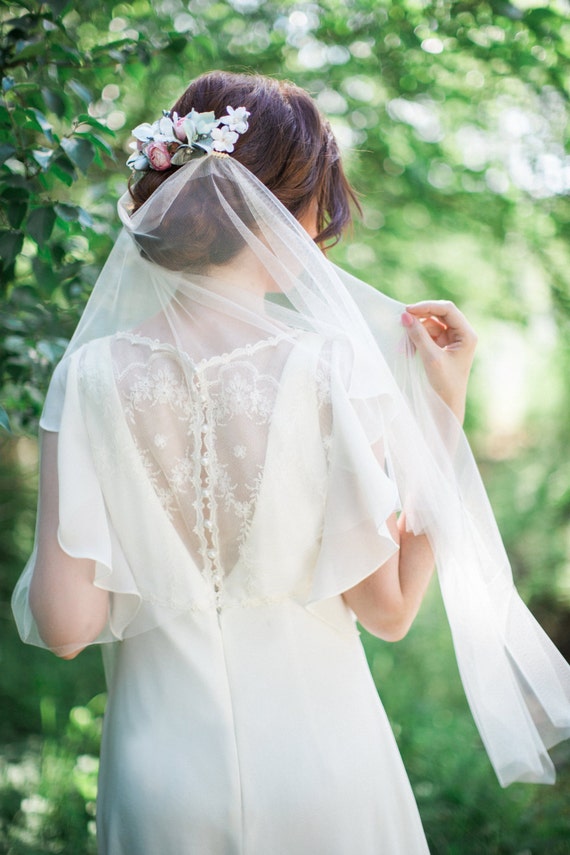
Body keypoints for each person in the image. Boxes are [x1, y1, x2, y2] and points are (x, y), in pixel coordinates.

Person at [12, 71, 570, 855]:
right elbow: (389, 610)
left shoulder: (92, 374)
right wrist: (445, 410)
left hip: (160, 779)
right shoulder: (328, 367)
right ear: (283, 210)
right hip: (325, 764)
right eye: (317, 207)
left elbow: (65, 625)